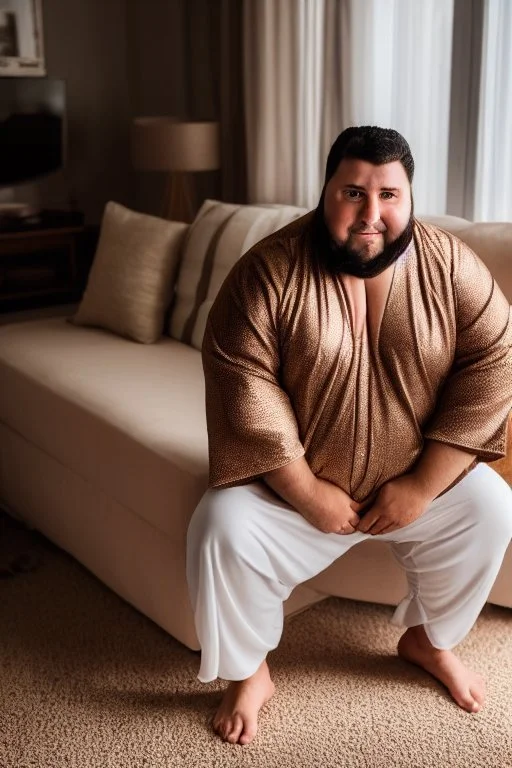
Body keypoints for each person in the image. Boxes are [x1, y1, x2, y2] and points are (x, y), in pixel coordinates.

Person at [187, 126, 512, 746]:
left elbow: (495, 358)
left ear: (410, 197)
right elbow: (241, 379)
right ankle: (249, 671)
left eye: (389, 195)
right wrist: (307, 492)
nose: (371, 214)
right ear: (326, 191)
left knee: (493, 509)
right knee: (219, 529)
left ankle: (428, 640)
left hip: (415, 481)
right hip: (299, 489)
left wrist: (422, 485)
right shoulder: (267, 270)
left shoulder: (450, 264)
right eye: (353, 193)